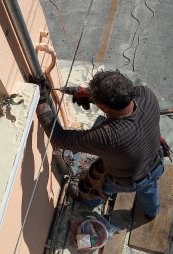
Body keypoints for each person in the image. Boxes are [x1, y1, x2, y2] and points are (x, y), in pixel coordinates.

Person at [36, 70, 164, 219]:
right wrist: (89, 95)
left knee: (99, 187)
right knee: (149, 189)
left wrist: (41, 102)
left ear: (104, 107)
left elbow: (59, 138)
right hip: (156, 164)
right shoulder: (146, 94)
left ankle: (89, 201)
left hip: (128, 179)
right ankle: (151, 213)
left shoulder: (107, 136)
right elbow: (122, 97)